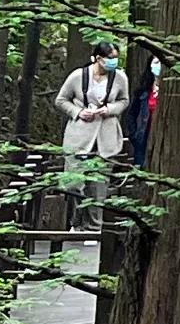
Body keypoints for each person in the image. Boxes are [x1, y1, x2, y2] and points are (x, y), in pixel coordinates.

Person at [52, 42, 131, 239]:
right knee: (73, 184)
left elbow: (124, 101)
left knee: (98, 187)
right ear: (97, 58)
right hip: (79, 137)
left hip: (106, 138)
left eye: (115, 58)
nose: (113, 62)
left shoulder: (120, 78)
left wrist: (110, 110)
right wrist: (78, 112)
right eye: (109, 58)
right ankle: (76, 222)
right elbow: (61, 100)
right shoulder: (78, 76)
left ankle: (94, 229)